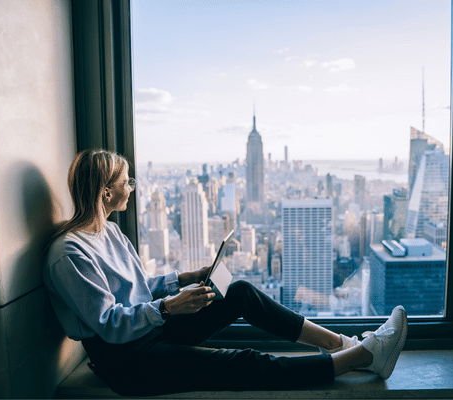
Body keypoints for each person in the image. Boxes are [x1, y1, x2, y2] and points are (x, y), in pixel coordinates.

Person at [43, 149, 408, 396]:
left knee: (239, 290)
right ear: (107, 192)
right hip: (126, 360)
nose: (132, 189)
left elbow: (137, 288)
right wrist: (170, 308)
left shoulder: (109, 230)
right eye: (127, 182)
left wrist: (184, 280)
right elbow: (108, 323)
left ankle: (339, 343)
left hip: (148, 332)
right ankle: (364, 356)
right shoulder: (69, 253)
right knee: (241, 363)